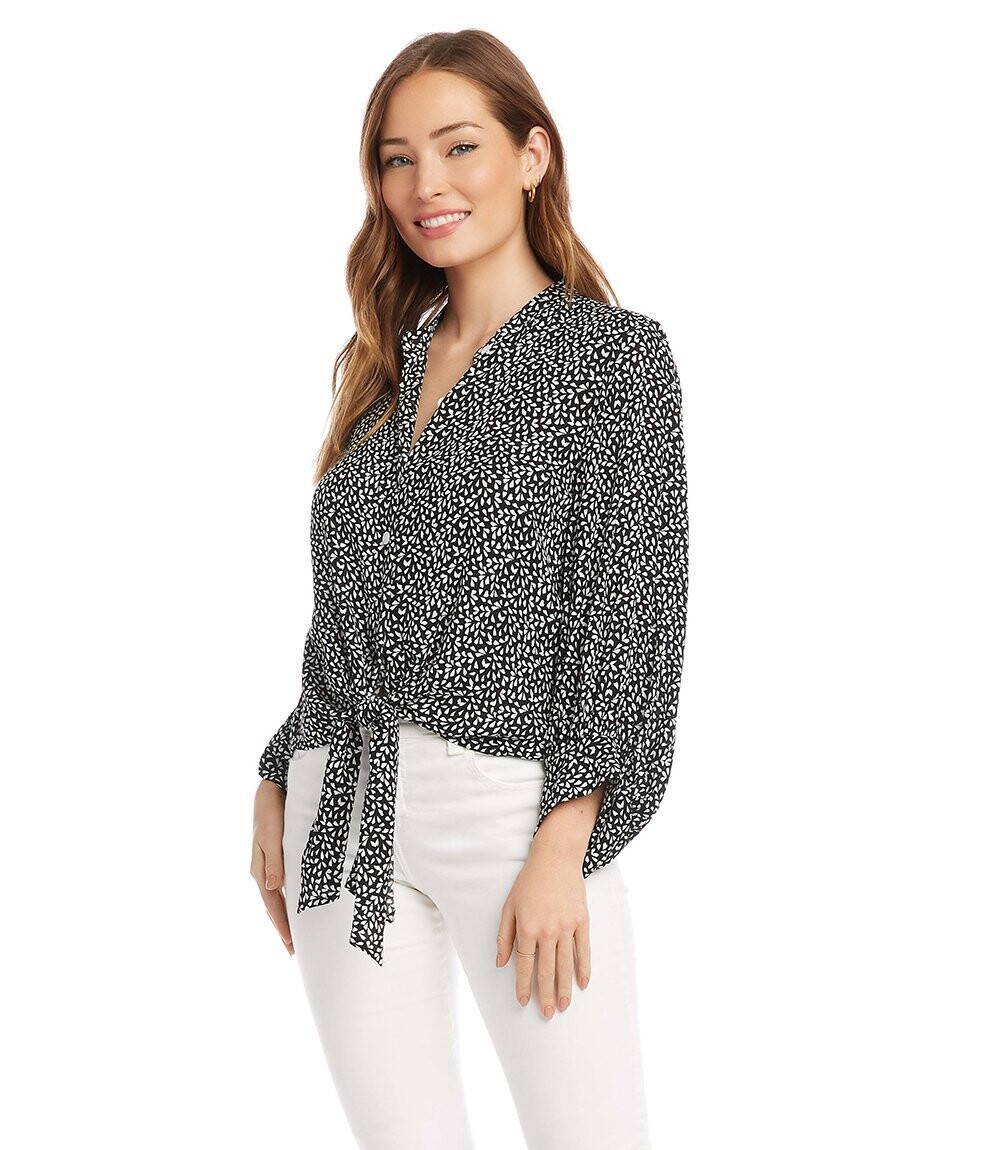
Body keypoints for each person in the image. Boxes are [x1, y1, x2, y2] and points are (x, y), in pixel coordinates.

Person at [249, 28, 689, 1150]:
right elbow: (343, 609)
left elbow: (632, 613)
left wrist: (566, 840)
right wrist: (280, 768)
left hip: (515, 810)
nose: (425, 186)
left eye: (458, 147)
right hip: (341, 801)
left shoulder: (611, 358)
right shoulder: (378, 367)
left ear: (532, 155)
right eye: (396, 159)